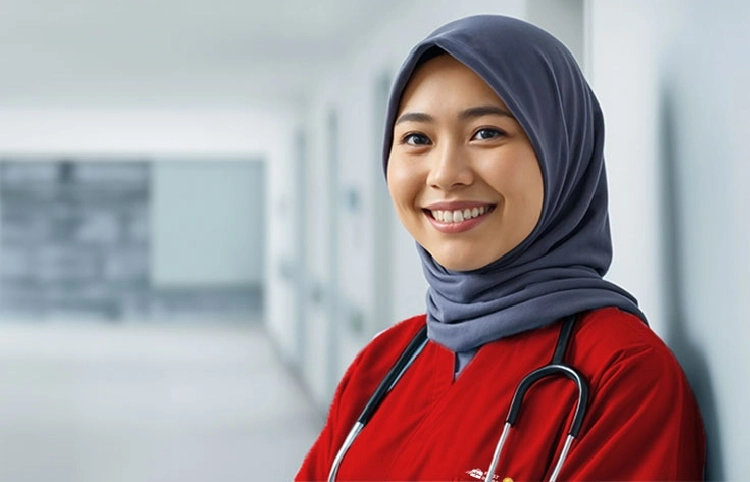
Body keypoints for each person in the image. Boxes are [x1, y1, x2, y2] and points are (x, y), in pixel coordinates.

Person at [296, 15, 706, 481]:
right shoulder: (384, 362)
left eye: (487, 132)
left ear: (561, 151)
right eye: (416, 139)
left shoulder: (620, 374)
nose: (446, 173)